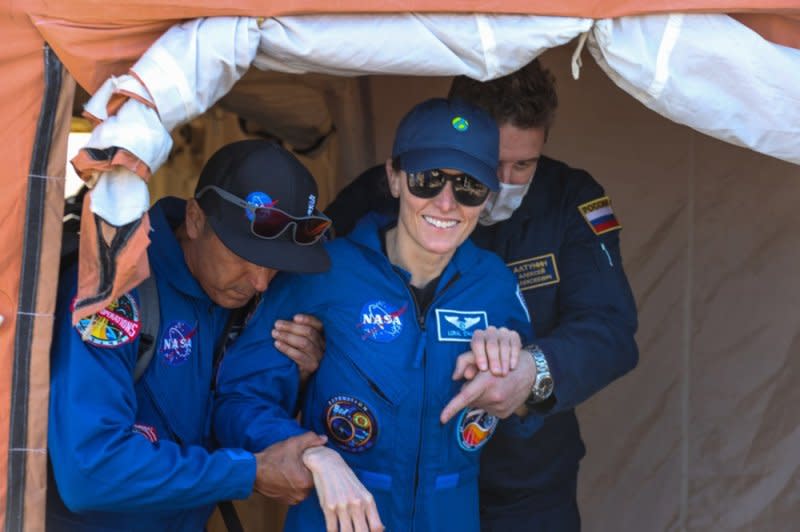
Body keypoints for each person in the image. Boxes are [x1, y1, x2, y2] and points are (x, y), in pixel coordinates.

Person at [324, 59, 639, 531]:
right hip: (398, 479)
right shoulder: (397, 187)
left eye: (525, 164)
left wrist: (534, 373)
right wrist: (313, 349)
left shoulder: (569, 199)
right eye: (492, 164)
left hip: (526, 483)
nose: (507, 182)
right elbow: (311, 289)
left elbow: (610, 329)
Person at [214, 97, 539, 532]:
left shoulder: (495, 286)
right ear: (394, 178)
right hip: (337, 517)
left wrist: (523, 374)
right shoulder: (324, 272)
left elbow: (526, 412)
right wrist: (307, 451)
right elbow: (239, 398)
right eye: (428, 179)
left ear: (487, 198)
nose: (446, 203)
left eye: (468, 187)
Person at [47, 140, 334, 531]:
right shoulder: (114, 289)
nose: (261, 282)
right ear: (196, 218)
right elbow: (90, 469)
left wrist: (298, 379)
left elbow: (234, 406)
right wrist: (247, 473)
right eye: (246, 257)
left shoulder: (240, 295)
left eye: (274, 266)